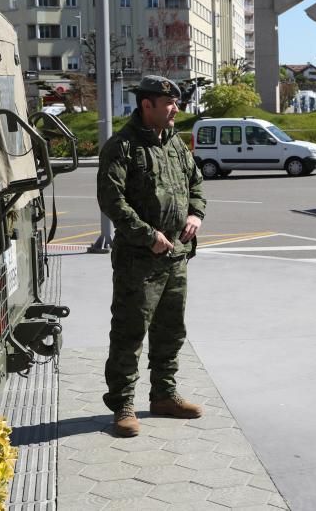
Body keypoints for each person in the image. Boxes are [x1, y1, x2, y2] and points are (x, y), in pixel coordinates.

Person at [96, 75, 207, 438]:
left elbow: (196, 184)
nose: (175, 108)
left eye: (175, 102)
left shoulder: (175, 145)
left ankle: (163, 395)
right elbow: (113, 200)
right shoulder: (121, 147)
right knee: (130, 332)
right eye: (168, 102)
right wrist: (148, 236)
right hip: (138, 262)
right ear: (147, 105)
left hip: (176, 258)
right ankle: (123, 406)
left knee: (171, 330)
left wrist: (195, 214)